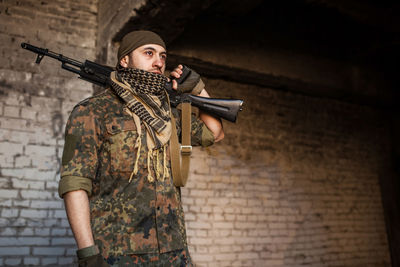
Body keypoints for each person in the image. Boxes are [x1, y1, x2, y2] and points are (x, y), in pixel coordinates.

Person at [58, 30, 224, 266]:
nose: (158, 62)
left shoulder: (169, 114)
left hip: (174, 253)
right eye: (149, 53)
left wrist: (198, 89)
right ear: (124, 60)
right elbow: (75, 183)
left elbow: (215, 134)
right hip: (118, 254)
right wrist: (88, 254)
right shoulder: (92, 111)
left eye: (163, 56)